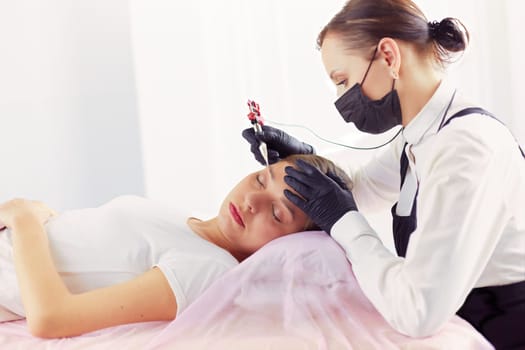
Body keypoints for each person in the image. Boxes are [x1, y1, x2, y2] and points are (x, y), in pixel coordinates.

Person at [242, 1, 525, 348]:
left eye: (343, 80)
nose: (342, 101)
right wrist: (303, 158)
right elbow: (362, 185)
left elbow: (418, 311)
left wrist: (342, 219)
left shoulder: (465, 148)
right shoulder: (422, 137)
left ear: (389, 56)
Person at [0, 154, 352, 339]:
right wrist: (41, 213)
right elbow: (91, 247)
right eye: (262, 178)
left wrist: (24, 218)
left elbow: (51, 318)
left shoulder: (210, 270)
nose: (252, 201)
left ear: (291, 244)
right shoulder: (192, 221)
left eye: (276, 213)